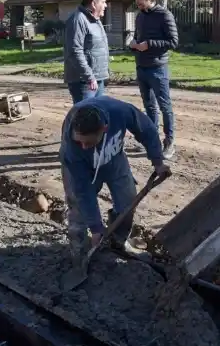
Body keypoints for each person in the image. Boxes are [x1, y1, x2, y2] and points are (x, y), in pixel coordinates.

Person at [60, 96, 171, 257]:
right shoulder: (72, 148)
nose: (83, 146)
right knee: (78, 205)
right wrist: (96, 228)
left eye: (88, 142)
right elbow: (83, 190)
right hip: (81, 166)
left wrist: (158, 162)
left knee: (127, 199)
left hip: (114, 158)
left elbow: (147, 129)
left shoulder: (119, 111)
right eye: (80, 142)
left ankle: (118, 241)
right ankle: (80, 250)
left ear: (104, 129)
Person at [130, 0, 179, 160]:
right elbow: (138, 37)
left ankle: (169, 142)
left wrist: (149, 44)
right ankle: (152, 141)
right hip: (141, 67)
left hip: (158, 68)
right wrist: (133, 44)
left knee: (165, 106)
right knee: (149, 107)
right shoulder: (139, 17)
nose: (137, 2)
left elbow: (173, 42)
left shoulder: (164, 15)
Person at [64, 0, 110, 104]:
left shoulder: (96, 20)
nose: (106, 6)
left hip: (97, 79)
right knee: (85, 114)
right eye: (103, 2)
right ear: (94, 4)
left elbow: (100, 49)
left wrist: (105, 74)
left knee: (97, 113)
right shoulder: (78, 20)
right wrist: (89, 77)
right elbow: (75, 51)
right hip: (84, 82)